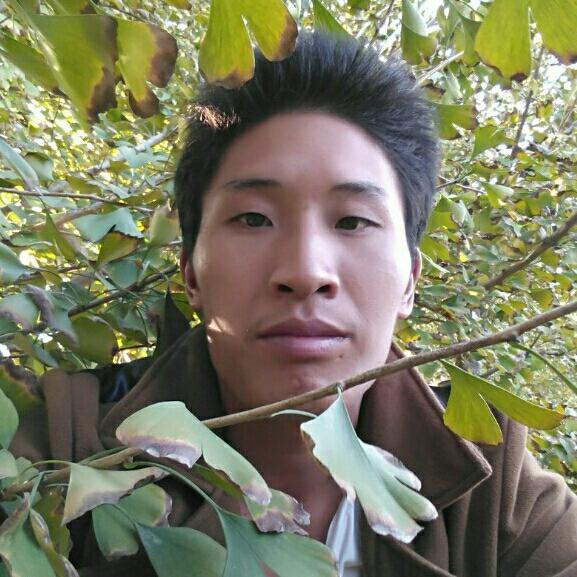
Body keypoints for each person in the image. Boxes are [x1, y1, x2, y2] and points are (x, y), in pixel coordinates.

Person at [10, 32, 577, 577]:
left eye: (353, 222)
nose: (306, 273)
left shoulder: (492, 488)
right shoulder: (65, 449)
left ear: (409, 280)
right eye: (253, 218)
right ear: (191, 274)